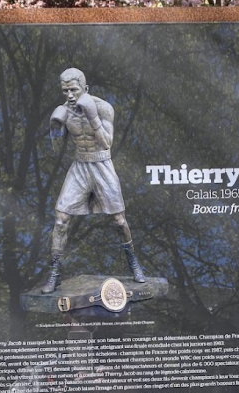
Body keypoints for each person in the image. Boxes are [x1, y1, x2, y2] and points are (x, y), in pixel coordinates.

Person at [41, 68, 145, 294]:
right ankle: (54, 273)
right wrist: (55, 128)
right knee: (61, 219)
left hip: (102, 165)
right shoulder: (65, 111)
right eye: (65, 91)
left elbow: (107, 143)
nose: (70, 95)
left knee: (119, 220)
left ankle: (134, 263)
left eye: (74, 90)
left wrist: (91, 115)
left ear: (85, 88)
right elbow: (57, 151)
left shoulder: (103, 107)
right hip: (80, 166)